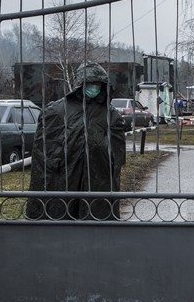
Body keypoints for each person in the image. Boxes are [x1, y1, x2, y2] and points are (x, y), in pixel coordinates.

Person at [26, 62, 127, 220]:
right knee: (61, 216)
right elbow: (43, 151)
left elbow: (117, 152)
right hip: (63, 176)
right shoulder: (57, 111)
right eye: (91, 83)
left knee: (95, 217)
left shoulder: (110, 114)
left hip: (99, 176)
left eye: (98, 84)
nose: (95, 87)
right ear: (81, 83)